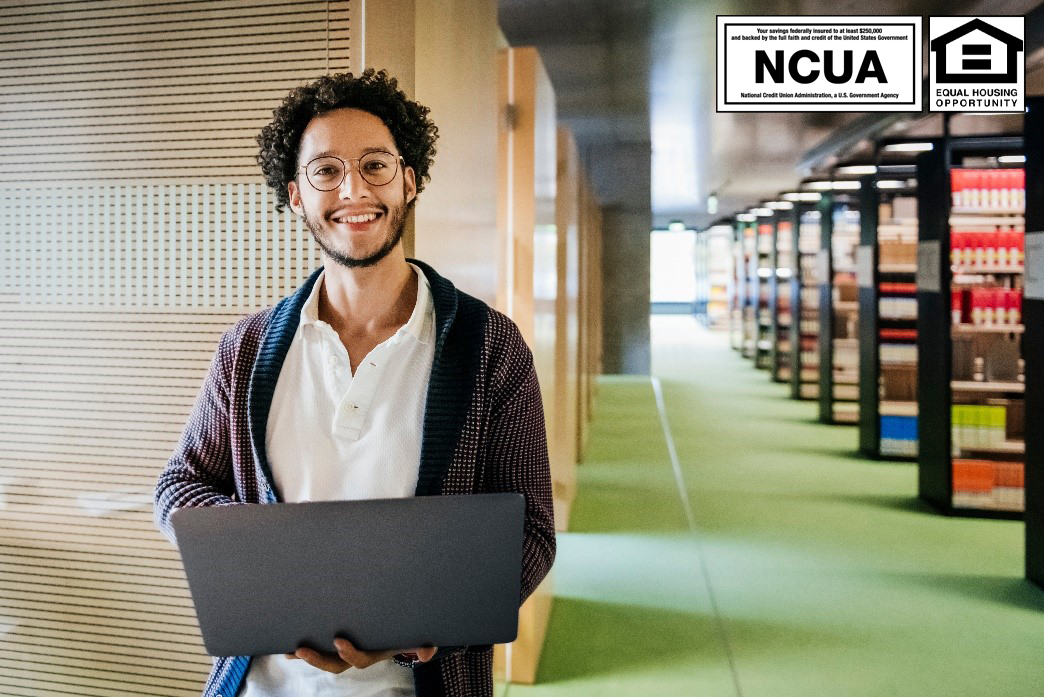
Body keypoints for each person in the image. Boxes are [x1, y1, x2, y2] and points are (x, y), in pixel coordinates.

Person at [154, 69, 556, 697]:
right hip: (260, 685)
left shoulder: (489, 348)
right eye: (326, 171)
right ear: (295, 195)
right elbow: (180, 485)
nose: (353, 189)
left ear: (409, 180)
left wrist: (428, 625)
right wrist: (266, 567)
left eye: (375, 165)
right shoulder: (247, 350)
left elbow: (530, 533)